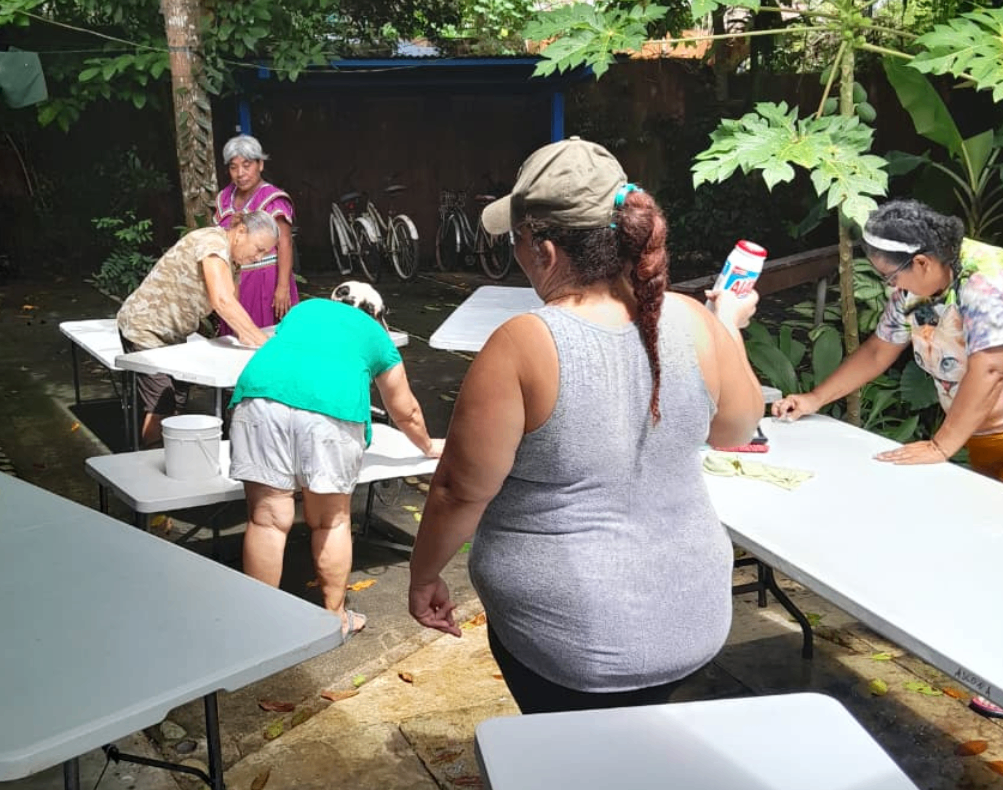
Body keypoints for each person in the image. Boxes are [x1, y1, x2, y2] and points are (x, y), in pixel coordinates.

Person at [406, 137, 764, 714]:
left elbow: (456, 490)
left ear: (544, 249)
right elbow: (738, 426)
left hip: (572, 640)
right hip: (693, 615)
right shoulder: (695, 319)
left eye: (517, 241)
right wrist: (727, 326)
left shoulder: (525, 344)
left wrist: (423, 577)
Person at [771, 198, 1003, 719]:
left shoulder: (985, 284)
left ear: (921, 262)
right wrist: (813, 399)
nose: (888, 287)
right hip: (988, 432)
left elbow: (990, 368)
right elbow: (880, 349)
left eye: (888, 273)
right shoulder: (917, 288)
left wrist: (943, 446)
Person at [229, 281, 443, 639]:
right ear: (379, 316)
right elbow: (405, 410)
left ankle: (259, 626)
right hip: (331, 414)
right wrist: (427, 446)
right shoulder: (377, 336)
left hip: (259, 399)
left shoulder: (305, 309)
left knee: (266, 519)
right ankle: (334, 619)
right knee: (330, 522)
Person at [117, 211, 278, 447]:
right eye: (259, 248)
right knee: (163, 401)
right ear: (241, 231)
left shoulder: (232, 259)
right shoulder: (213, 243)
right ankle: (148, 459)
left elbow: (233, 304)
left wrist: (246, 335)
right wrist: (265, 344)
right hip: (144, 327)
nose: (259, 257)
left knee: (179, 398)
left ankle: (174, 454)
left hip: (173, 334)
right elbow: (222, 300)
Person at [213, 134, 298, 331]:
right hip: (234, 284)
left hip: (266, 281)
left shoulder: (272, 198)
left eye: (247, 165)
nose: (240, 173)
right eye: (233, 167)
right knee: (235, 338)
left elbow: (284, 243)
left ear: (260, 165)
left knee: (265, 337)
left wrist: (282, 287)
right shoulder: (225, 198)